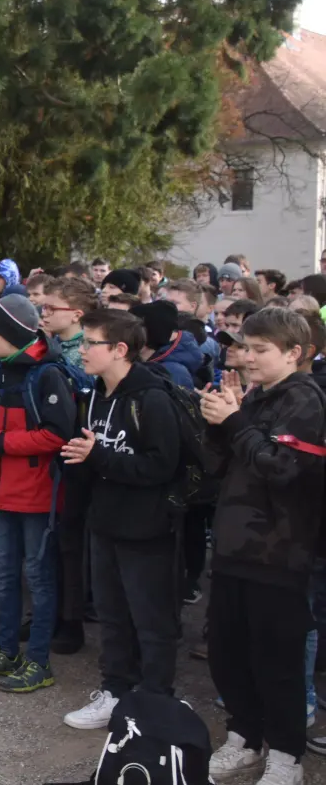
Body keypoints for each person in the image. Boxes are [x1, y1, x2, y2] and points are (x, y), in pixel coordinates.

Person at [201, 308, 326, 784]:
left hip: (279, 550)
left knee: (276, 660)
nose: (247, 358)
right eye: (244, 348)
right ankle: (245, 738)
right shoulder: (253, 398)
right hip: (234, 544)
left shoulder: (306, 400)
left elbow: (283, 468)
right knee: (228, 653)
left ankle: (287, 756)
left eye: (259, 350)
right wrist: (217, 421)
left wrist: (234, 423)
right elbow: (216, 466)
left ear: (294, 353)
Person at [58, 309, 185, 731]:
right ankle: (115, 691)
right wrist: (83, 460)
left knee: (150, 618)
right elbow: (88, 456)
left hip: (146, 527)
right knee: (112, 615)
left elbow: (160, 467)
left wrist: (99, 457)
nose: (81, 350)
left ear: (119, 349)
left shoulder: (152, 398)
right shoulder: (93, 394)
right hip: (104, 520)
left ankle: (154, 701)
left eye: (89, 343)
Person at [0, 294, 77, 694]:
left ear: (12, 332)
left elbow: (58, 434)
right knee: (6, 577)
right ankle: (6, 649)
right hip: (2, 491)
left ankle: (39, 660)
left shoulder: (48, 374)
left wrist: (0, 440)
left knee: (38, 580)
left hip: (37, 495)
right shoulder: (3, 372)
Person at [42, 277, 97, 367]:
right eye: (44, 307)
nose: (43, 314)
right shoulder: (49, 343)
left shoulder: (86, 354)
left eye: (51, 308)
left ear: (76, 316)